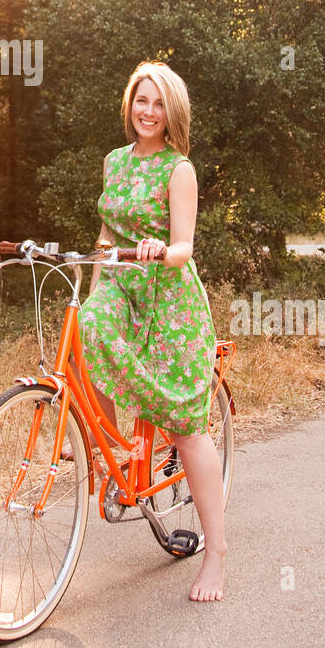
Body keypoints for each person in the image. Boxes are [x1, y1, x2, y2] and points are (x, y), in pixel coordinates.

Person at [76, 60, 226, 602]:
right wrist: (96, 284)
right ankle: (115, 458)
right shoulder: (114, 162)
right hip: (122, 287)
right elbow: (105, 231)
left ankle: (216, 555)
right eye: (142, 100)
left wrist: (161, 249)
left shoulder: (177, 169)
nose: (149, 111)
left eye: (159, 103)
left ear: (171, 113)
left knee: (187, 427)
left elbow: (185, 246)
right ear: (130, 105)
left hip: (170, 298)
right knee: (87, 328)